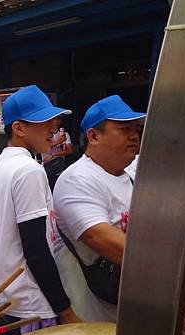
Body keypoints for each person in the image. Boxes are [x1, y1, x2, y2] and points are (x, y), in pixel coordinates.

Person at [0, 85, 81, 335]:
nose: (53, 128)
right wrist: (65, 309)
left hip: (6, 298)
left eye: (54, 121)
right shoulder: (28, 170)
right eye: (44, 121)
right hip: (31, 304)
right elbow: (36, 249)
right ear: (19, 128)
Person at [53, 95, 145, 322]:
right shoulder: (77, 179)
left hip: (125, 308)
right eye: (124, 129)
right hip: (90, 316)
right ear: (93, 136)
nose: (135, 135)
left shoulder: (133, 177)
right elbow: (102, 239)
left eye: (136, 129)